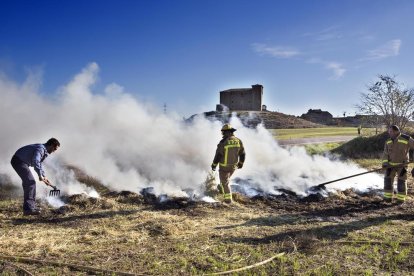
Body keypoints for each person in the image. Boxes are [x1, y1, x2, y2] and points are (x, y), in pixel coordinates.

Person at [10, 138, 60, 215]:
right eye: (54, 149)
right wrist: (40, 175)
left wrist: (44, 176)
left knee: (29, 182)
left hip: (21, 162)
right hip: (19, 161)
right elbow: (36, 161)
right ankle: (28, 209)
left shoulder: (43, 150)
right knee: (30, 182)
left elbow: (39, 163)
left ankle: (31, 207)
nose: (54, 151)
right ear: (52, 145)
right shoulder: (40, 149)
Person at [211, 124, 245, 203]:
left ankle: (228, 200)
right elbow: (242, 153)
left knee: (225, 183)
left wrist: (214, 165)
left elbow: (218, 155)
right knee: (225, 181)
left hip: (224, 167)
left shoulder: (223, 142)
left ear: (227, 132)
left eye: (223, 132)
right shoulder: (238, 140)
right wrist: (241, 163)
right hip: (233, 167)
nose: (222, 134)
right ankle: (221, 188)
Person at [382, 125, 414, 203]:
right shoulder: (388, 141)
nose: (389, 133)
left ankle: (400, 199)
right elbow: (385, 154)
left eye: (391, 131)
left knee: (401, 182)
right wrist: (385, 163)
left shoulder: (406, 139)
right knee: (387, 181)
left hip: (402, 165)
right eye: (389, 131)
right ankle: (387, 198)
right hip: (390, 165)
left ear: (396, 131)